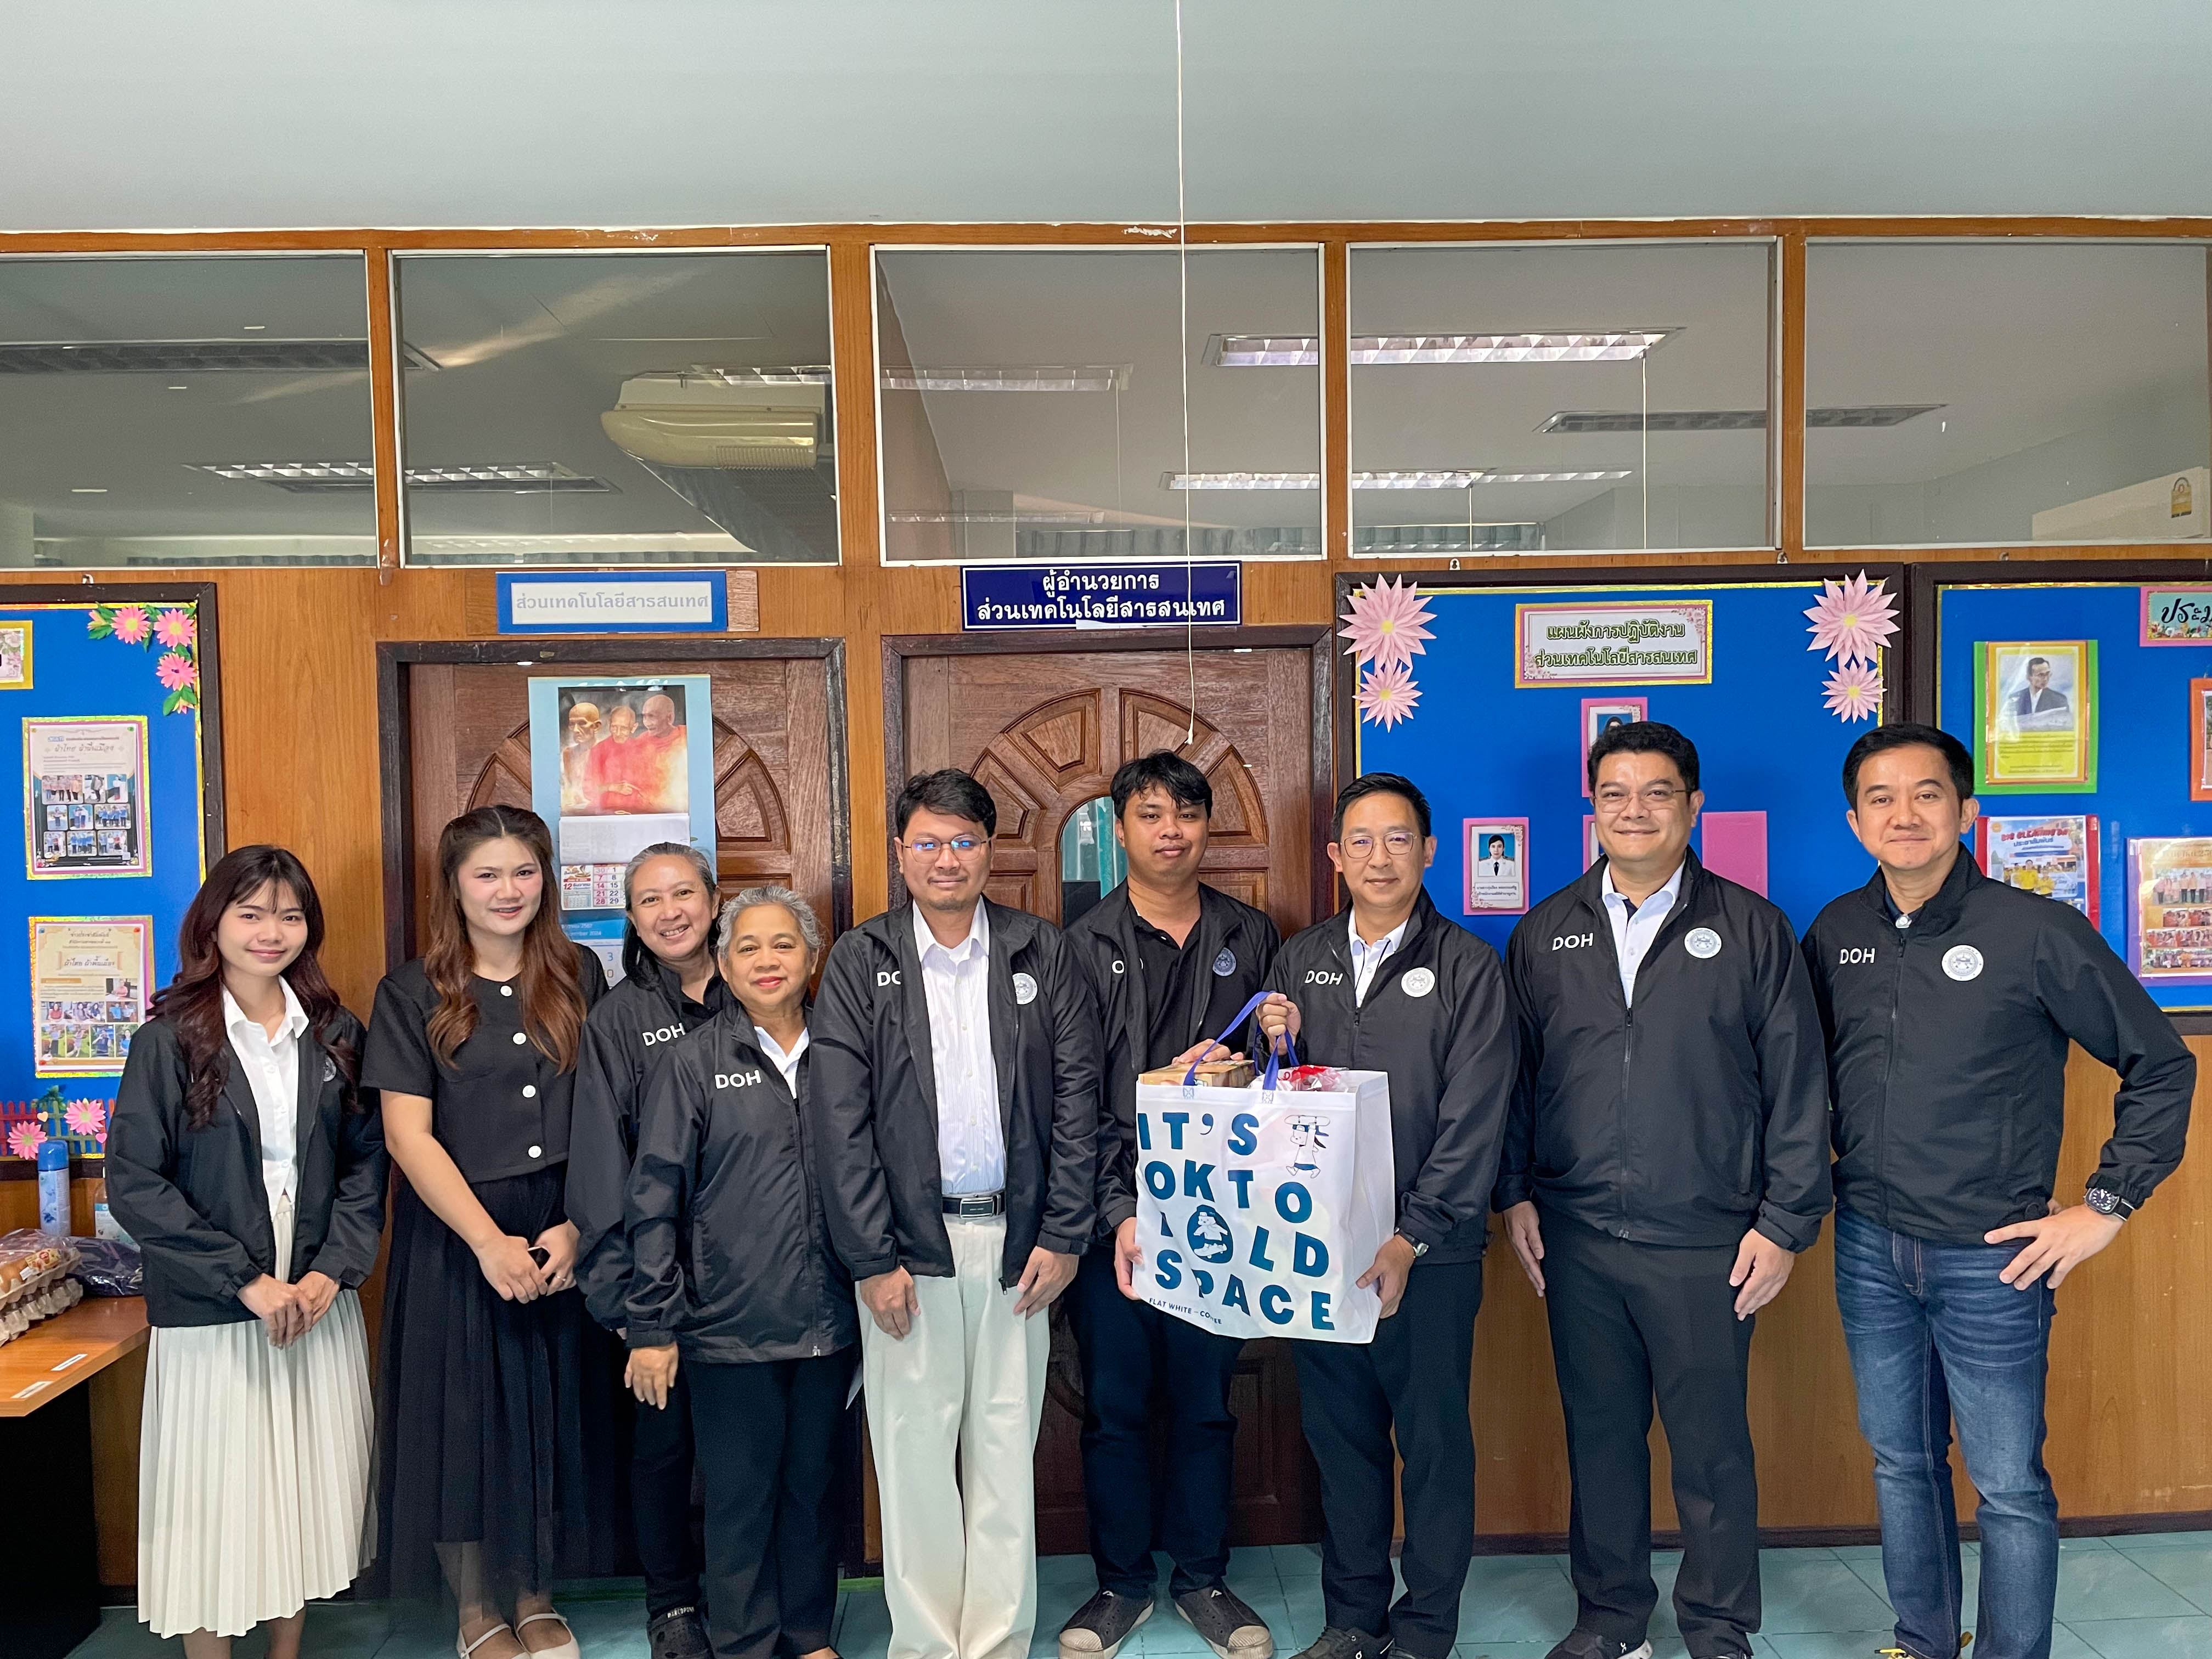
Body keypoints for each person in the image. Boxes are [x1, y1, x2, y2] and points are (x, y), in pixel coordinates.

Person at [1803, 722, 2194, 1659]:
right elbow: (1796, 1075)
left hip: (1994, 1257)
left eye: (1926, 794)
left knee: (2009, 1485)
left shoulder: (2035, 931)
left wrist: (2106, 1205)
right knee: (1901, 1462)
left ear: (1965, 810)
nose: (1904, 814)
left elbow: (2162, 1064)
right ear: (1855, 821)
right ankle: (1924, 1640)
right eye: (1881, 798)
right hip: (1868, 1244)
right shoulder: (1836, 932)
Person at [1497, 721, 1830, 1659]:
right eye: (1615, 792)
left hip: (1708, 1239)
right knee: (1601, 1439)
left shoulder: (1753, 929)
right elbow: (1515, 1081)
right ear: (1593, 806)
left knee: (1711, 1449)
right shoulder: (1546, 931)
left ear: (1693, 805)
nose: (1634, 809)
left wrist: (1785, 1222)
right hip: (1577, 1234)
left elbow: (1798, 1085)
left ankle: (1718, 1628)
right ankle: (1610, 1621)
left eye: (1656, 792)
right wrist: (1514, 1194)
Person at [808, 768, 1101, 1659]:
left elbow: (1078, 1099)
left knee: (1007, 1448)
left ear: (990, 850)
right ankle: (931, 1642)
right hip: (908, 1249)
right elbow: (838, 1120)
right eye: (928, 842)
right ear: (900, 852)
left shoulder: (1040, 951)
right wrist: (871, 1257)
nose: (947, 859)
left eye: (964, 841)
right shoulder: (861, 959)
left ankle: (999, 1639)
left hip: (1021, 1245)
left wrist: (1064, 1233)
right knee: (913, 1456)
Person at [1251, 772, 1517, 1659]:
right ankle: (1353, 1619)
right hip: (1321, 1251)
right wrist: (1274, 1040)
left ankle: (1426, 1628)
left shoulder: (1470, 967)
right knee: (1341, 1442)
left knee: (1433, 1445)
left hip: (1428, 1254)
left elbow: (1474, 1119)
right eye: (1360, 841)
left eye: (1398, 838)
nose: (1379, 857)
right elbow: (1277, 1099)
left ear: (1429, 850)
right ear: (1335, 856)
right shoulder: (1301, 958)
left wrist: (1413, 1236)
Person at [107, 846, 385, 1659]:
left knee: (301, 1494)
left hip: (316, 1299)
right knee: (214, 1502)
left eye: (290, 916)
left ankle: (286, 1652)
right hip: (214, 1307)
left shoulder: (335, 1033)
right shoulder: (167, 1040)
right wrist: (246, 1282)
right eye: (252, 913)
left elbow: (368, 1164)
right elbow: (136, 1184)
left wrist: (333, 1269)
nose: (272, 932)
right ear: (214, 923)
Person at [365, 805, 623, 1659]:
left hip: (562, 1226)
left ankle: (537, 1595)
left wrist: (580, 1226)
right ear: (454, 886)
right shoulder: (411, 992)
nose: (507, 890)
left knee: (551, 1412)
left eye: (523, 872)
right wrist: (485, 1242)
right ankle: (478, 1610)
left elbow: (608, 1111)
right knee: (463, 1422)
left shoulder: (582, 973)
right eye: (487, 874)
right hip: (459, 1233)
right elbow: (407, 1135)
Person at [1058, 752, 1281, 1659]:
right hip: (1112, 1217)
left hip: (1221, 1216)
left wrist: (1272, 1044)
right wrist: (1118, 1210)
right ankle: (1120, 1584)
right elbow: (1070, 1095)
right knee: (1112, 1406)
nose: (1171, 831)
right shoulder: (1078, 944)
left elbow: (1280, 1084)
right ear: (1121, 830)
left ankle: (1202, 1577)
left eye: (1186, 813)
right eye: (1150, 815)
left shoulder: (1251, 933)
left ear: (1206, 826)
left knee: (1204, 1403)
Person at [627, 886, 856, 1659]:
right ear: (723, 965)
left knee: (812, 1489)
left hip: (831, 1320)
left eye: (784, 944)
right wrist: (652, 1324)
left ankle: (809, 1633)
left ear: (813, 957)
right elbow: (654, 1199)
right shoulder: (691, 1064)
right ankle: (747, 1643)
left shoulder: (845, 1051)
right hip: (727, 1326)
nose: (767, 960)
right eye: (747, 947)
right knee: (740, 1500)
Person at [569, 843, 734, 1659]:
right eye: (649, 901)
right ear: (632, 918)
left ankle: (745, 1600)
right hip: (657, 1280)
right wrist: (634, 1309)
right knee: (664, 1450)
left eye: (683, 894)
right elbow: (602, 1166)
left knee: (748, 1455)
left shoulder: (760, 989)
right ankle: (672, 1604)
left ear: (714, 899)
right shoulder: (618, 1019)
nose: (670, 913)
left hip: (757, 1280)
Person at [2010, 657, 2071, 721]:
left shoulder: (2059, 700)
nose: (2045, 679)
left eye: (2047, 674)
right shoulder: (2015, 699)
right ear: (2029, 677)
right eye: (2041, 675)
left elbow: (2066, 724)